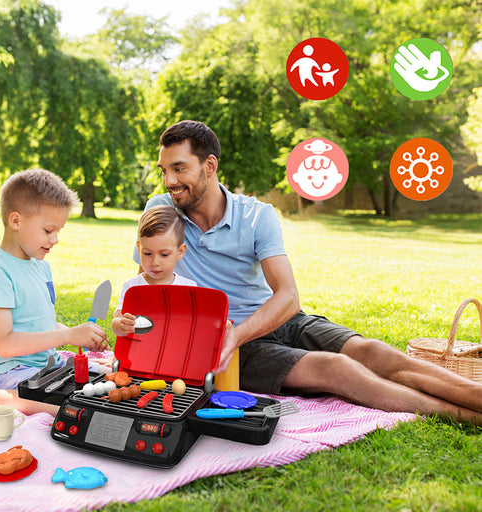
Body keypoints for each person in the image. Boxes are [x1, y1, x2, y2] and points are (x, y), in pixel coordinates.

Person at [137, 119, 482, 424]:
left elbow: (287, 297)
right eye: (164, 170)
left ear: (209, 165)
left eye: (179, 169)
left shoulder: (257, 215)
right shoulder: (161, 212)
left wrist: (238, 333)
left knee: (371, 351)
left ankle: (476, 396)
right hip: (225, 347)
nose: (169, 180)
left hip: (274, 322)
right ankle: (463, 416)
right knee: (337, 368)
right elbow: (148, 284)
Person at [0, 169, 108, 415]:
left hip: (45, 365)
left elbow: (37, 323)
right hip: (10, 371)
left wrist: (73, 333)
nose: (55, 239)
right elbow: (4, 345)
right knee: (64, 409)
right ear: (16, 221)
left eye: (59, 231)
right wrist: (67, 336)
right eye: (48, 230)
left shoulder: (41, 266)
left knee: (104, 380)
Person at [112, 205, 196, 337]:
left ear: (180, 252)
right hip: (138, 353)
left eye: (164, 255)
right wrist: (121, 324)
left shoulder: (189, 288)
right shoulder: (132, 287)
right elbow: (116, 324)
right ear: (139, 248)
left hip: (176, 353)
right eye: (147, 253)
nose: (155, 263)